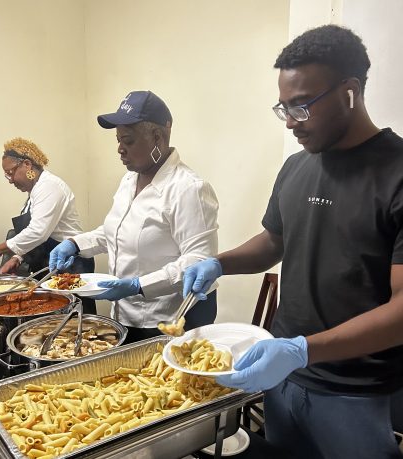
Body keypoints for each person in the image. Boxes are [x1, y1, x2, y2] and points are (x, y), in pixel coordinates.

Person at [183, 25, 403, 459]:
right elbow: (273, 241)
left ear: (350, 92)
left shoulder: (396, 174)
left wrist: (303, 350)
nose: (289, 122)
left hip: (355, 391)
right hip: (282, 377)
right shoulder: (297, 166)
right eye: (283, 108)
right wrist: (219, 263)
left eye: (301, 106)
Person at [49, 91, 219, 343]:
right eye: (118, 140)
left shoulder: (189, 189)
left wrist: (139, 285)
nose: (120, 149)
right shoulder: (130, 179)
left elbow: (198, 261)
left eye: (128, 141)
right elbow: (116, 231)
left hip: (168, 321)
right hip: (125, 315)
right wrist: (75, 243)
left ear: (157, 137)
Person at [0, 137, 96, 313]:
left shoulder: (50, 187)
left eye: (10, 172)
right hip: (50, 260)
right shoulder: (36, 191)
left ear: (27, 164)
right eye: (7, 175)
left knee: (75, 317)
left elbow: (38, 232)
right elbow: (39, 233)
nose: (10, 179)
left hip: (70, 263)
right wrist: (18, 258)